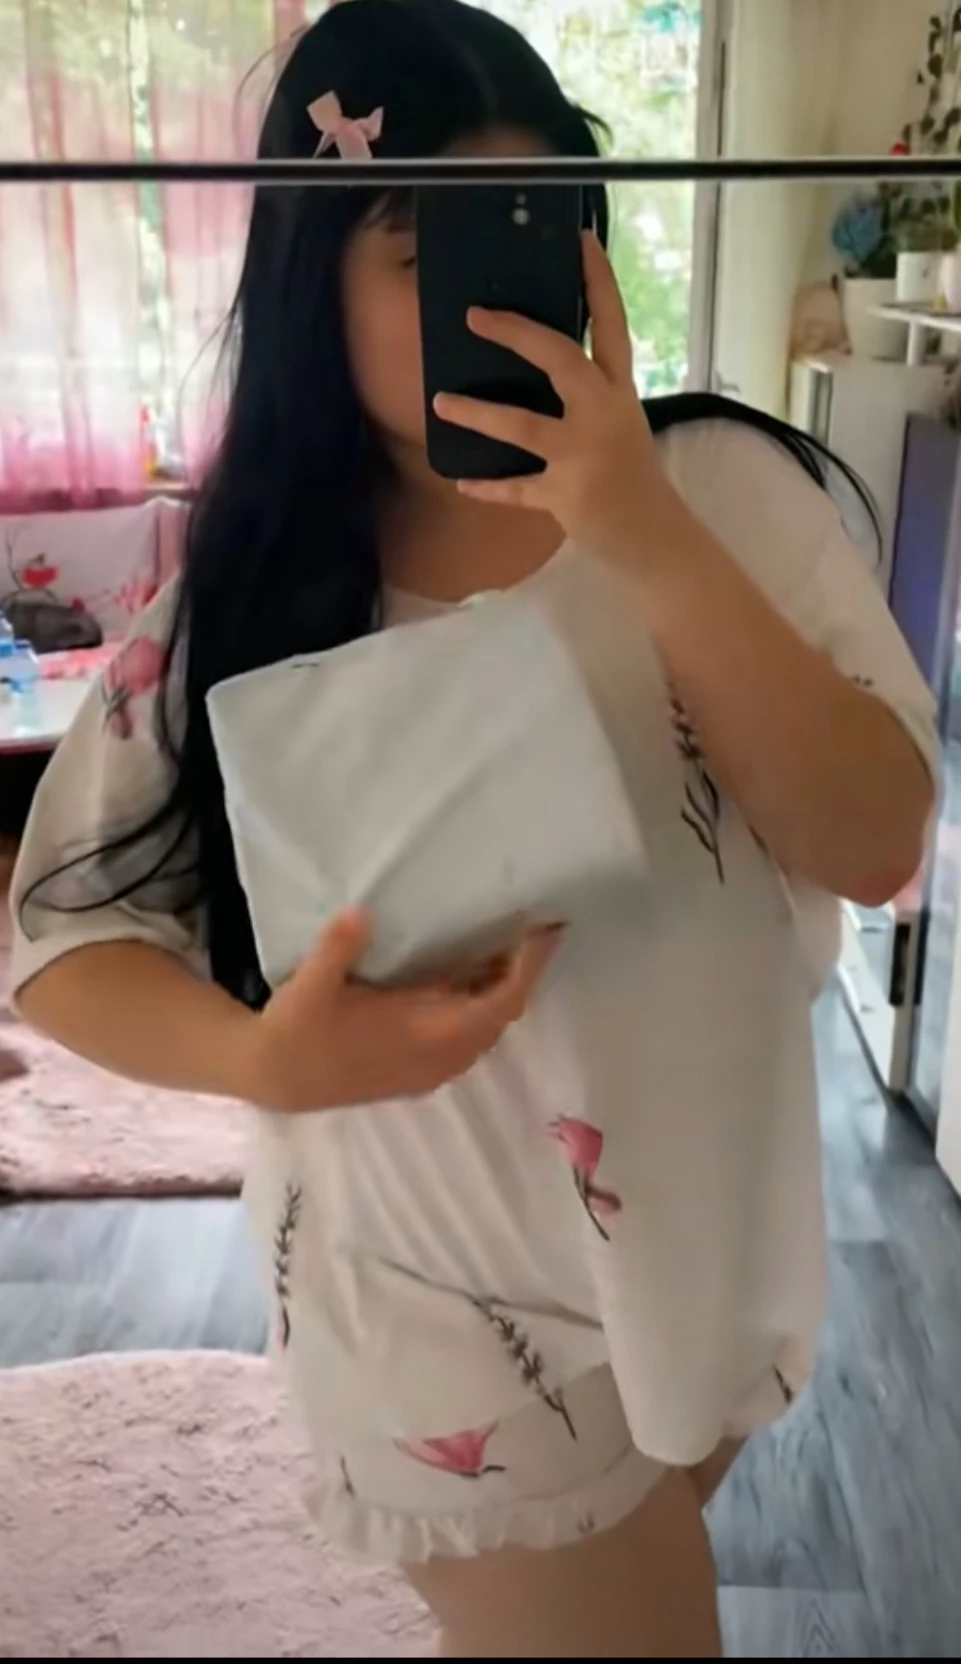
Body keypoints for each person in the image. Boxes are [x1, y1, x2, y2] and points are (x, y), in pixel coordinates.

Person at [8, 1, 937, 1655]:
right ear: (311, 277)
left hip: (700, 1247)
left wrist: (637, 531)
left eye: (529, 225)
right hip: (422, 1297)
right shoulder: (265, 580)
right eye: (416, 247)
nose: (485, 292)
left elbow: (877, 842)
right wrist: (263, 1060)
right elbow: (60, 937)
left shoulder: (728, 496)